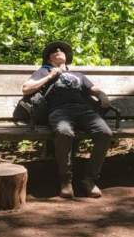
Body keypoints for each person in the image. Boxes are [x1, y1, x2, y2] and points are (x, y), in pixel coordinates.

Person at [22, 40, 112, 199]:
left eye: (61, 50)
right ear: (48, 58)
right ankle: (66, 181)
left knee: (105, 133)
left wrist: (102, 95)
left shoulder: (78, 75)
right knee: (64, 133)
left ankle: (89, 180)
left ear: (66, 57)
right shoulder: (44, 71)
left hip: (84, 110)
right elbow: (26, 89)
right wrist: (50, 76)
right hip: (59, 111)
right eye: (54, 50)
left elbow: (93, 89)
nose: (58, 50)